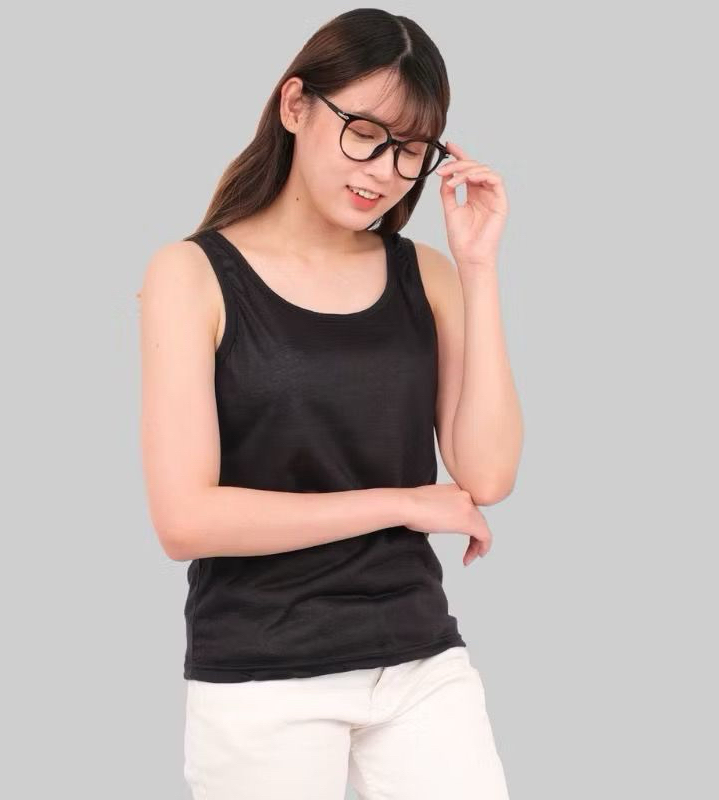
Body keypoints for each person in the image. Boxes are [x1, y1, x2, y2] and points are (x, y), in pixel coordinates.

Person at [138, 8, 522, 799]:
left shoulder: (426, 275)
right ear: (295, 106)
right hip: (263, 675)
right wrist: (403, 503)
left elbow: (486, 475)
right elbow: (185, 519)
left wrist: (478, 268)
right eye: (364, 133)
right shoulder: (192, 276)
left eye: (409, 151)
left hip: (420, 662)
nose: (383, 171)